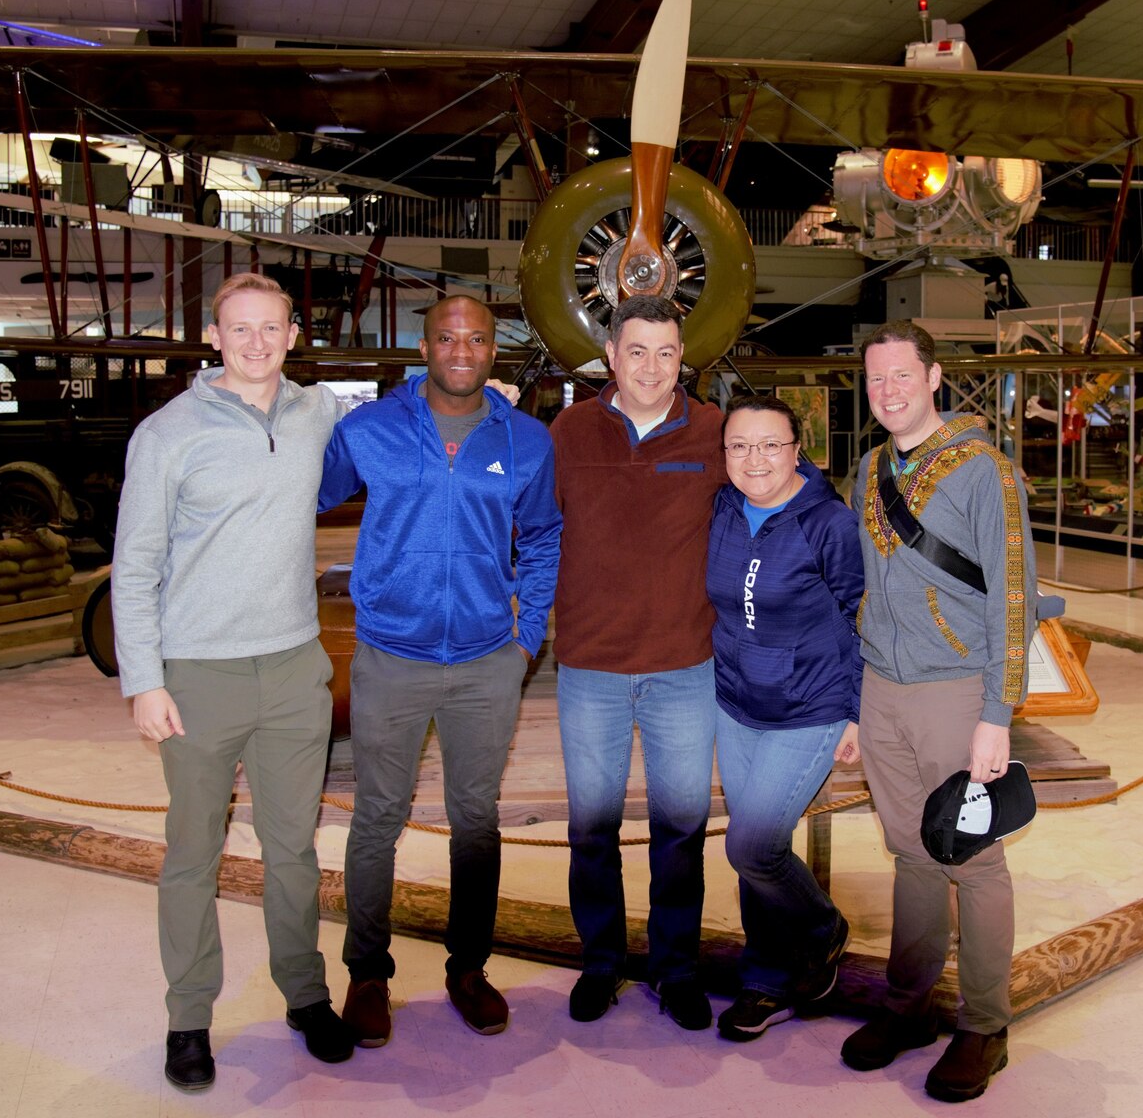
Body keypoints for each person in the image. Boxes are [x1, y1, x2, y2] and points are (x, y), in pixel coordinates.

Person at [112, 271, 353, 1092]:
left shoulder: (317, 413)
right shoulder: (167, 434)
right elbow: (135, 565)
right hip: (199, 674)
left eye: (271, 328)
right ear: (214, 338)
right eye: (239, 329)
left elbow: (405, 419)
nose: (256, 342)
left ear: (293, 334)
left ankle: (307, 996)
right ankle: (188, 1018)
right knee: (193, 853)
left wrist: (485, 389)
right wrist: (144, 680)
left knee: (293, 850)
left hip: (293, 669)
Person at [316, 294, 561, 1045]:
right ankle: (366, 974)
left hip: (488, 660)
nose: (462, 350)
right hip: (392, 656)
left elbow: (546, 538)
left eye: (477, 339)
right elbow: (301, 498)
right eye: (447, 338)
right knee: (377, 820)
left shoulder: (525, 439)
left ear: (494, 350)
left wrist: (526, 639)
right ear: (423, 348)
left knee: (475, 821)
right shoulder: (368, 430)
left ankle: (468, 968)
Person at [843, 321, 1037, 1104]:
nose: (887, 391)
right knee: (909, 851)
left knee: (975, 859)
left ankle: (985, 1024)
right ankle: (908, 1003)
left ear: (933, 378)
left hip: (958, 690)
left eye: (901, 376)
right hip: (881, 687)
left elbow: (1014, 598)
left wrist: (998, 711)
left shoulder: (986, 473)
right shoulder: (866, 470)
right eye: (875, 379)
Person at [550, 295, 726, 1029]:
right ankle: (600, 963)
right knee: (591, 828)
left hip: (685, 664)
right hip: (590, 665)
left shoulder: (717, 432)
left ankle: (675, 968)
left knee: (680, 830)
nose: (652, 368)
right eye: (637, 351)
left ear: (682, 358)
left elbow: (783, 496)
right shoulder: (568, 431)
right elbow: (532, 525)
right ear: (611, 355)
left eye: (666, 353)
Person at [703, 394, 863, 1041]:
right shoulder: (719, 508)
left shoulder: (828, 522)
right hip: (737, 704)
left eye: (771, 444)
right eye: (739, 445)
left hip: (810, 705)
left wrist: (856, 712)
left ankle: (824, 929)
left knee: (751, 844)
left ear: (799, 450)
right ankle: (765, 979)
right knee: (756, 852)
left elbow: (863, 617)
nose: (755, 458)